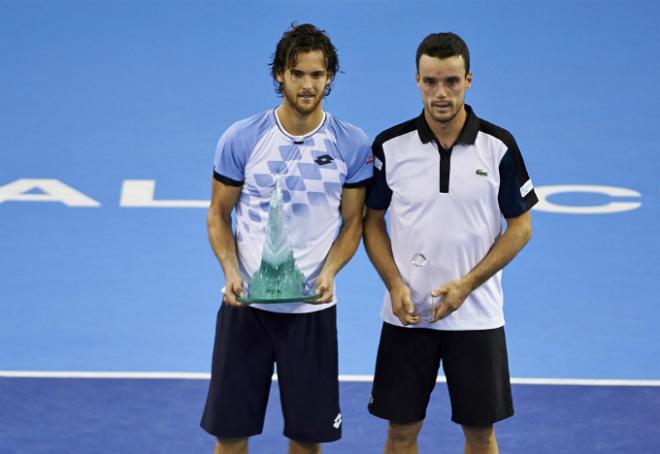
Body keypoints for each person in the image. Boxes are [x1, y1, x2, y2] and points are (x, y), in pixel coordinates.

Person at [200, 24, 372, 454]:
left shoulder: (351, 144)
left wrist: (331, 272)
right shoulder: (242, 137)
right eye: (298, 73)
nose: (308, 84)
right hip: (246, 311)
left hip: (311, 313)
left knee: (307, 439)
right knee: (231, 436)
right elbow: (219, 214)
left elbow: (353, 224)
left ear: (330, 76)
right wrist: (230, 270)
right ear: (280, 74)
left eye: (317, 74)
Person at [363, 32, 538, 454]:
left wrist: (466, 284)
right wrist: (394, 284)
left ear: (469, 80)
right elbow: (372, 222)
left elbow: (520, 227)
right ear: (417, 80)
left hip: (477, 318)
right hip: (408, 317)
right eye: (430, 82)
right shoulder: (390, 146)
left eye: (451, 82)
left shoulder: (499, 147)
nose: (441, 93)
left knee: (481, 435)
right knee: (401, 433)